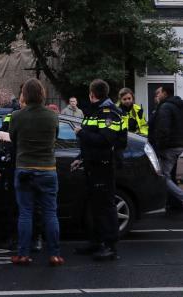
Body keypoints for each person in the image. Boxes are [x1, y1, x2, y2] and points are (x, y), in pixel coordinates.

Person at [8, 78, 63, 267]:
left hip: (24, 168)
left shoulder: (17, 116)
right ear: (42, 94)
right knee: (50, 213)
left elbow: (13, 139)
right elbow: (56, 136)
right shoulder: (52, 116)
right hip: (48, 169)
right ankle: (55, 254)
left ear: (25, 95)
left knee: (25, 213)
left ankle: (23, 254)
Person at [73, 79, 128, 261]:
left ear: (92, 94)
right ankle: (96, 242)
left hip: (103, 165)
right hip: (93, 164)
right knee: (96, 205)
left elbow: (105, 140)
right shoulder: (96, 111)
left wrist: (81, 132)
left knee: (106, 206)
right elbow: (91, 141)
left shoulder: (108, 112)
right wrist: (80, 158)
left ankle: (110, 246)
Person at [148, 84, 183, 207]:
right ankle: (173, 203)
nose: (156, 95)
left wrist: (159, 147)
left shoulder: (165, 107)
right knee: (171, 175)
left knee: (162, 177)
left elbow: (163, 130)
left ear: (165, 93)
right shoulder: (177, 105)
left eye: (158, 93)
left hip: (168, 147)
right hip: (178, 145)